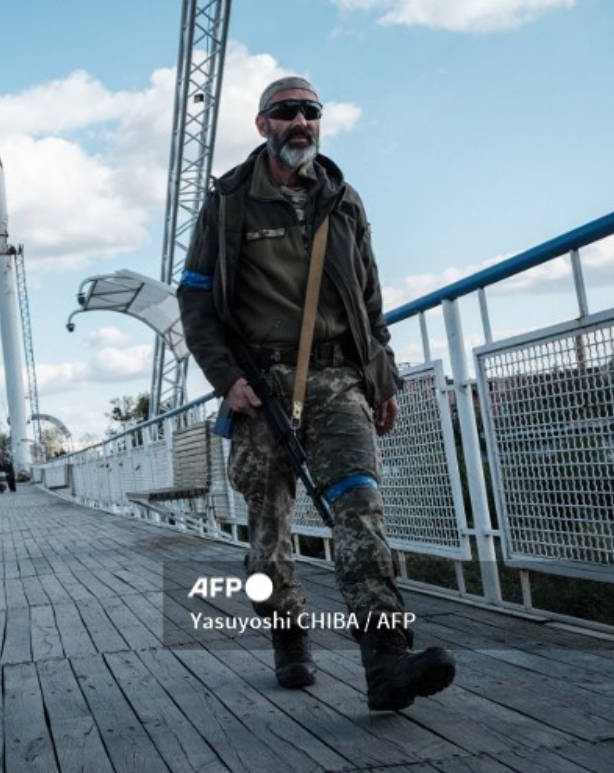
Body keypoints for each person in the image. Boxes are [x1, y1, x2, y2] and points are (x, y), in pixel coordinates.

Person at [177, 76, 455, 710]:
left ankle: (387, 663)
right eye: (286, 112)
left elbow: (371, 300)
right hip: (260, 389)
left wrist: (381, 379)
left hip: (339, 383)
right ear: (262, 124)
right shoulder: (229, 202)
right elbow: (195, 298)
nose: (300, 122)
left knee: (360, 512)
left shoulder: (343, 199)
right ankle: (288, 638)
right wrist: (228, 380)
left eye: (310, 112)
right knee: (268, 539)